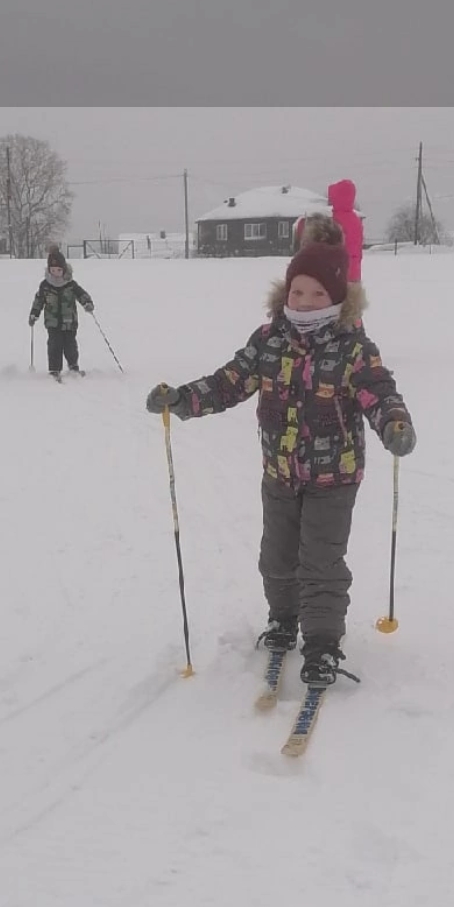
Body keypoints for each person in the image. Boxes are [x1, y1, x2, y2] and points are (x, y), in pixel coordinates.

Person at [146, 234, 415, 688]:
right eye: (297, 291)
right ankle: (284, 618)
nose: (305, 302)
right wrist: (184, 399)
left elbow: (379, 391)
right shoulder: (270, 339)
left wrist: (393, 422)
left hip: (335, 477)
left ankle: (323, 643)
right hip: (280, 474)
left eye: (317, 294)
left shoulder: (353, 347)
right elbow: (229, 382)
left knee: (321, 562)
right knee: (276, 557)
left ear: (336, 298)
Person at [28, 246, 94, 377]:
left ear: (64, 269)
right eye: (52, 270)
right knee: (54, 346)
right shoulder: (45, 285)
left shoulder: (71, 284)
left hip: (70, 321)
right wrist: (34, 314)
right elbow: (39, 301)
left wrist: (87, 303)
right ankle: (54, 370)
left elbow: (81, 294)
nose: (56, 272)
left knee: (70, 346)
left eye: (58, 270)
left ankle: (73, 367)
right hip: (52, 323)